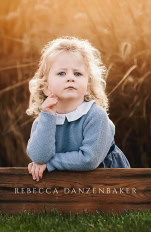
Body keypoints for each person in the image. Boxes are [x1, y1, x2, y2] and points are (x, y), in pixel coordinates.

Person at [25, 36, 130, 182]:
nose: (70, 78)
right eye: (61, 73)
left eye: (78, 73)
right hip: (69, 184)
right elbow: (39, 157)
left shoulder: (95, 115)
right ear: (46, 87)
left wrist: (50, 163)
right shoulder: (44, 119)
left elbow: (89, 160)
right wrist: (48, 117)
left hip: (108, 182)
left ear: (87, 88)